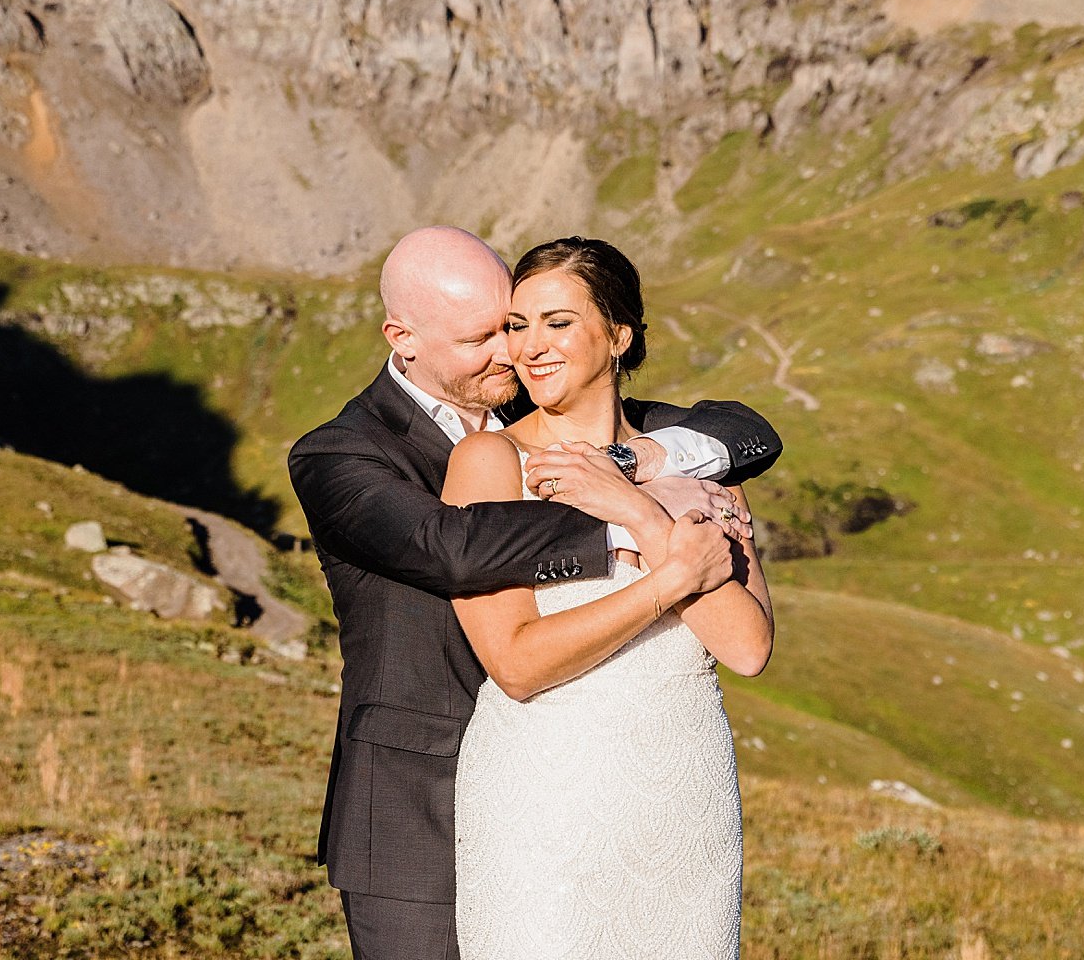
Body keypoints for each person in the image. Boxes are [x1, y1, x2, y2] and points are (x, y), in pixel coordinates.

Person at [288, 226, 781, 960]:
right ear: (404, 338)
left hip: (666, 791)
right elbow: (450, 550)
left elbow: (749, 433)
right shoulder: (342, 454)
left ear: (616, 336)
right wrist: (642, 528)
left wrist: (642, 471)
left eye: (517, 324)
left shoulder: (647, 439)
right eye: (490, 334)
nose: (512, 351)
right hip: (430, 793)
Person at [445, 236, 771, 959]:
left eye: (557, 323)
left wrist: (639, 510)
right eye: (518, 326)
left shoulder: (695, 464)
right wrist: (670, 581)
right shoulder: (489, 463)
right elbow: (517, 664)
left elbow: (747, 648)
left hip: (682, 799)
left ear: (618, 335)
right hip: (544, 800)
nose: (530, 347)